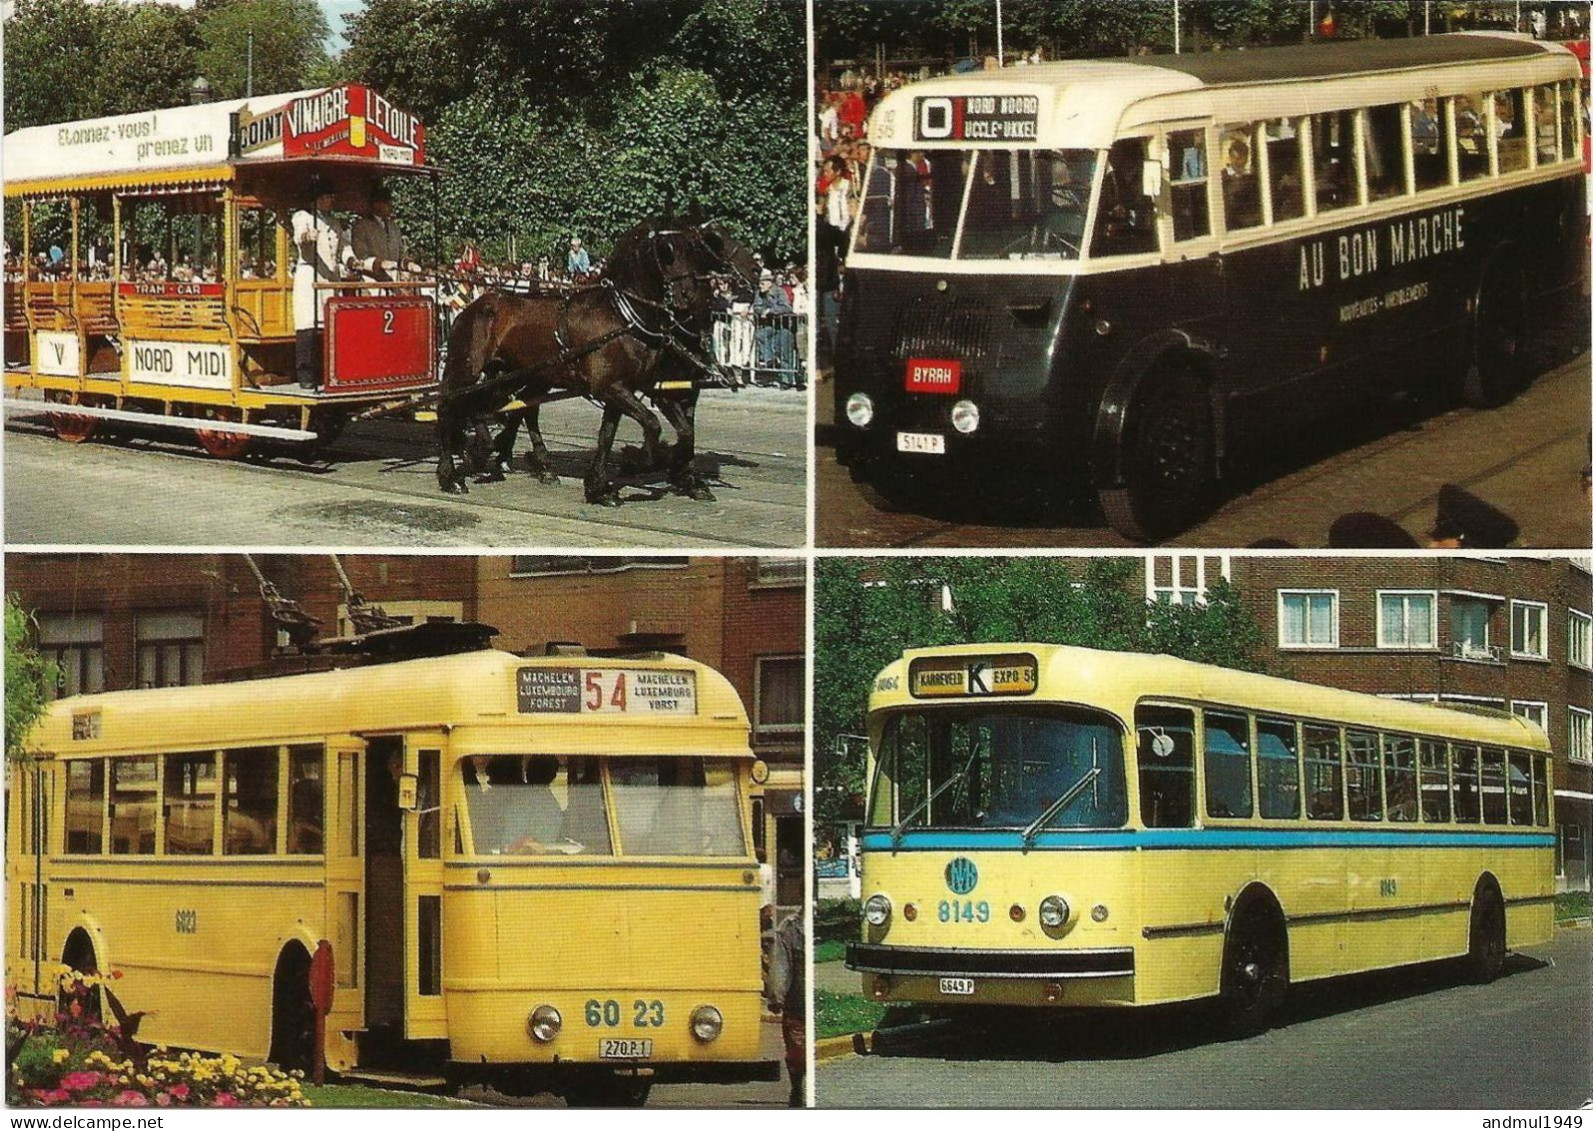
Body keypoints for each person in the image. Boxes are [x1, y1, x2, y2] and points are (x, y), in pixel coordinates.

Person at [291, 175, 359, 390]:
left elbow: (344, 247)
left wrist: (352, 260)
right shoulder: (303, 216)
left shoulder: (334, 222)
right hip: (309, 278)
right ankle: (306, 376)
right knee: (308, 327)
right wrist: (307, 236)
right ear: (318, 198)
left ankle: (328, 373)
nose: (332, 201)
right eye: (329, 197)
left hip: (330, 280)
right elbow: (299, 236)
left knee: (330, 327)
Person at [765, 911, 805, 1108]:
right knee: (797, 1055)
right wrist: (776, 996)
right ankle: (797, 1087)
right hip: (796, 1004)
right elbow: (781, 965)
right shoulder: (790, 929)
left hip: (806, 1004)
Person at [351, 185, 419, 279]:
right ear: (376, 204)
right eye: (387, 202)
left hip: (394, 283)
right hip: (371, 283)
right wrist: (380, 263)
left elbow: (401, 256)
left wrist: (409, 264)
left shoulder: (394, 227)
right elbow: (361, 256)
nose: (390, 206)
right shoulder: (361, 227)